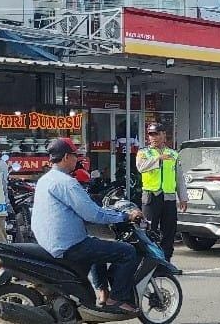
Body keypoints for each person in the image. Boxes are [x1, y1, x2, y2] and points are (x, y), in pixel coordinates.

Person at [32, 138, 143, 314]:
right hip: (68, 245)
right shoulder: (66, 183)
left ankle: (102, 293)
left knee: (96, 247)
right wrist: (125, 216)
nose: (77, 159)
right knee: (127, 251)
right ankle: (117, 299)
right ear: (66, 157)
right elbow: (93, 214)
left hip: (49, 242)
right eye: (75, 155)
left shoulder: (45, 180)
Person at [136, 123, 187, 261]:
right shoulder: (144, 152)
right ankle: (149, 262)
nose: (153, 137)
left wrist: (183, 197)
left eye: (156, 134)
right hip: (151, 197)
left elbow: (179, 177)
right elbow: (141, 167)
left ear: (164, 135)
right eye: (151, 134)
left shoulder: (173, 154)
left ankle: (166, 262)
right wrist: (158, 159)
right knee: (149, 231)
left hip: (169, 198)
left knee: (169, 231)